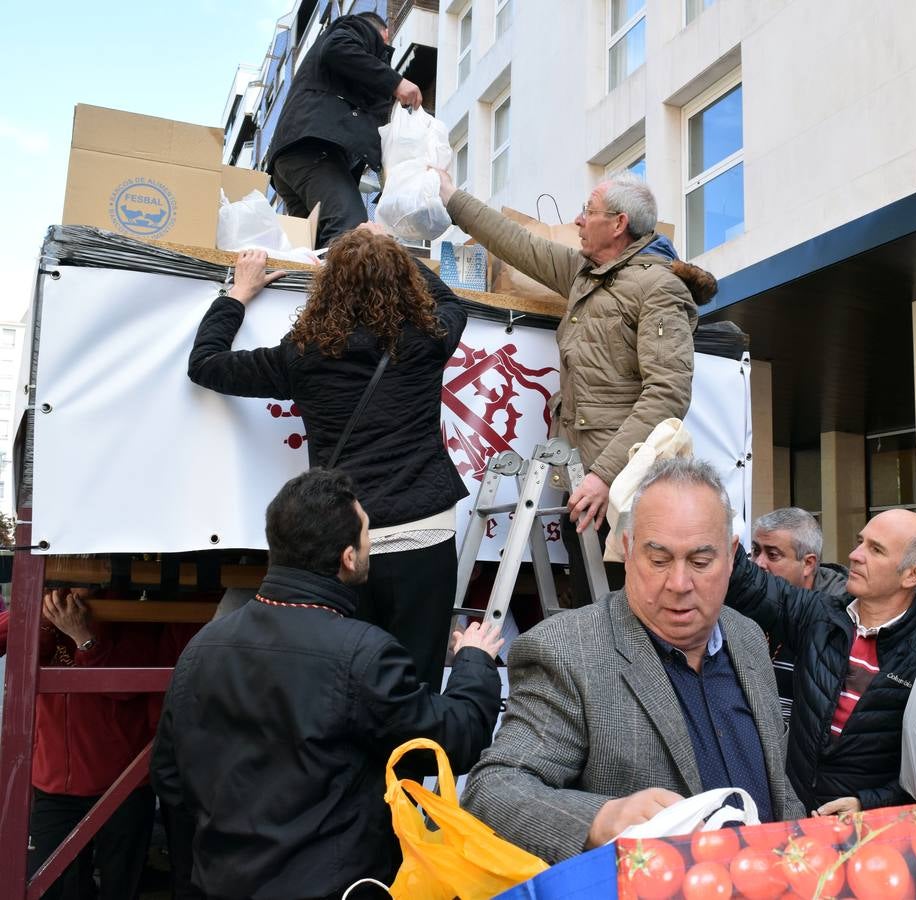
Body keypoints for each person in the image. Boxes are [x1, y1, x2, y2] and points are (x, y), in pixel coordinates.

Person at [151, 468, 503, 900]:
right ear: (348, 558)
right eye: (367, 534)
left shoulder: (202, 646)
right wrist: (474, 662)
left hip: (219, 885)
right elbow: (451, 741)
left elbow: (170, 778)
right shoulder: (362, 653)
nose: (371, 544)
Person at [461, 458, 804, 863]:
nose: (678, 584)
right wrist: (601, 818)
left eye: (700, 562)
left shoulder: (747, 637)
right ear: (627, 550)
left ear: (731, 557)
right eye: (658, 560)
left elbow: (772, 779)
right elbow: (494, 789)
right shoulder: (568, 651)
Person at [188, 229, 467, 690]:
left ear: (328, 286)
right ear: (403, 283)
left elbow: (206, 363)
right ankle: (409, 764)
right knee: (415, 683)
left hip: (346, 541)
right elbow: (450, 302)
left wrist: (237, 293)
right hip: (425, 528)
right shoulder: (426, 339)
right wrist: (389, 249)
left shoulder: (303, 356)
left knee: (345, 681)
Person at [437, 169, 716, 603]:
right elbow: (519, 244)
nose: (578, 220)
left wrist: (605, 477)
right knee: (589, 611)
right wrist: (452, 198)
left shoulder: (659, 288)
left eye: (588, 211)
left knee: (627, 619)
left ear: (619, 224)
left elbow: (667, 395)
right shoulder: (587, 274)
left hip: (622, 497)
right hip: (581, 485)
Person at [724, 509, 916, 816]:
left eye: (875, 549)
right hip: (792, 823)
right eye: (860, 542)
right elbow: (749, 583)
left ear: (912, 575)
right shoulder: (818, 617)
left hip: (873, 841)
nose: (855, 555)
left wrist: (869, 803)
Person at [1, 589, 168, 900]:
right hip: (52, 784)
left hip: (122, 784)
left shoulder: (133, 614)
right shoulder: (46, 608)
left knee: (120, 886)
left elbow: (126, 689)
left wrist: (84, 638)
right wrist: (38, 610)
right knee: (51, 888)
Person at [266, 11, 423, 248]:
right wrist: (396, 82)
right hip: (312, 149)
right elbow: (336, 47)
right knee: (351, 233)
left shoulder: (349, 80)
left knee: (314, 249)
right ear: (385, 34)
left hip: (293, 158)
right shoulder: (358, 27)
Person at [749, 507, 848, 722]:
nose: (759, 564)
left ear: (808, 564)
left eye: (772, 555)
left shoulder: (842, 621)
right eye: (756, 551)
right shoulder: (744, 605)